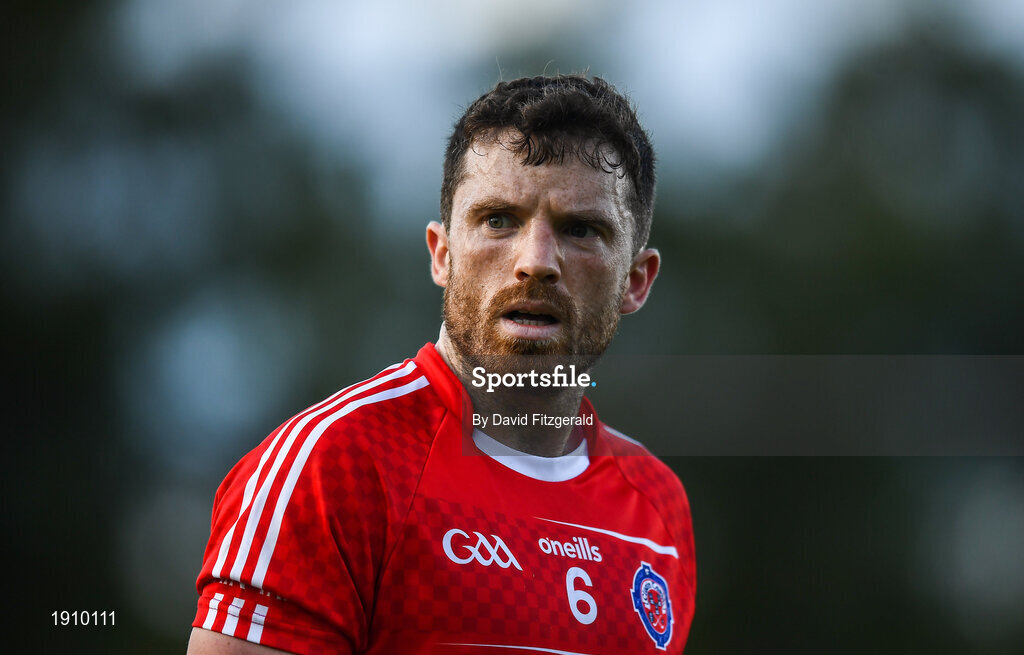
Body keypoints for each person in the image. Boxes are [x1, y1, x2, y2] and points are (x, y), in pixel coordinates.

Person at [187, 74, 696, 654]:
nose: (535, 262)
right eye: (498, 220)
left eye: (581, 229)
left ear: (636, 281)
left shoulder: (659, 509)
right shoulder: (333, 470)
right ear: (442, 254)